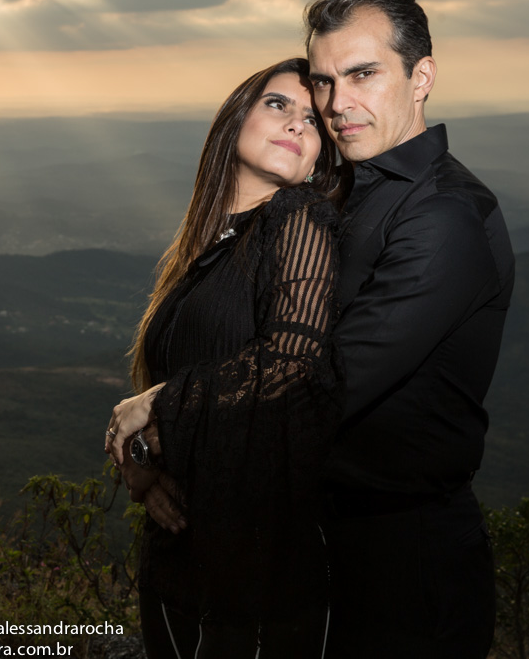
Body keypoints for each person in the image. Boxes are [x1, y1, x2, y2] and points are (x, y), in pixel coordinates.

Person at [304, 0, 515, 658]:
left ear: (421, 76)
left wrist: (165, 414)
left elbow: (329, 382)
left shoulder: (445, 216)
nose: (339, 103)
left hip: (407, 567)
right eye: (323, 80)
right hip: (324, 545)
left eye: (363, 74)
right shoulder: (346, 193)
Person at [105, 57, 345, 658]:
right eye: (277, 105)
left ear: (321, 156)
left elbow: (292, 361)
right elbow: (182, 381)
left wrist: (151, 409)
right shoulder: (208, 247)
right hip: (180, 556)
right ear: (234, 118)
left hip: (259, 571)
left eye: (313, 121)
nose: (296, 124)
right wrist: (142, 464)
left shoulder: (299, 217)